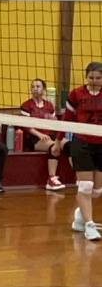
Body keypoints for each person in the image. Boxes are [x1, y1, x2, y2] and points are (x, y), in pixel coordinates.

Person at [57, 61, 102, 241]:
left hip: (101, 143)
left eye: (98, 78)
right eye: (91, 77)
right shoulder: (76, 94)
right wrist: (58, 140)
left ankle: (80, 215)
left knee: (97, 190)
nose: (94, 81)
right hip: (81, 142)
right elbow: (67, 119)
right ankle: (89, 225)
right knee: (85, 186)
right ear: (86, 77)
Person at [19, 78, 66, 191]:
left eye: (38, 86)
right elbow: (26, 126)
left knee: (69, 145)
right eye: (33, 87)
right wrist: (39, 134)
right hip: (34, 137)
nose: (35, 89)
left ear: (43, 89)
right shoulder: (26, 105)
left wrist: (53, 119)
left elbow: (54, 124)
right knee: (54, 147)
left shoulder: (49, 105)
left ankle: (80, 178)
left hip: (49, 134)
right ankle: (51, 179)